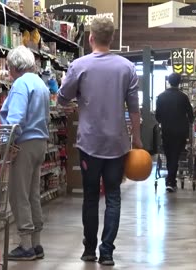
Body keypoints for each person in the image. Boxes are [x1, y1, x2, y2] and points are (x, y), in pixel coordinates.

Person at [57, 17, 142, 266]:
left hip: (89, 144)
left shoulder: (79, 65)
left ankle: (88, 250)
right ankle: (107, 252)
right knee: (113, 196)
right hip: (117, 144)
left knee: (91, 197)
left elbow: (62, 98)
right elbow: (134, 109)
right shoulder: (127, 67)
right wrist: (136, 138)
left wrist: (76, 101)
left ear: (90, 37)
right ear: (112, 38)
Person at [0, 45, 50, 261]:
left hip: (24, 144)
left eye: (9, 67)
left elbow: (15, 119)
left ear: (15, 67)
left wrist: (7, 143)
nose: (8, 71)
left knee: (18, 194)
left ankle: (26, 245)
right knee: (32, 194)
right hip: (40, 143)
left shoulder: (21, 84)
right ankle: (36, 243)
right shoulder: (40, 83)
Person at [155, 73, 194, 192]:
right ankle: (171, 181)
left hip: (167, 131)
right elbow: (191, 115)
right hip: (181, 132)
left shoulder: (161, 97)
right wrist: (188, 121)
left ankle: (170, 181)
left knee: (169, 154)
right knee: (176, 155)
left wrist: (164, 121)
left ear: (169, 82)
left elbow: (157, 116)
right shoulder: (183, 97)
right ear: (179, 82)